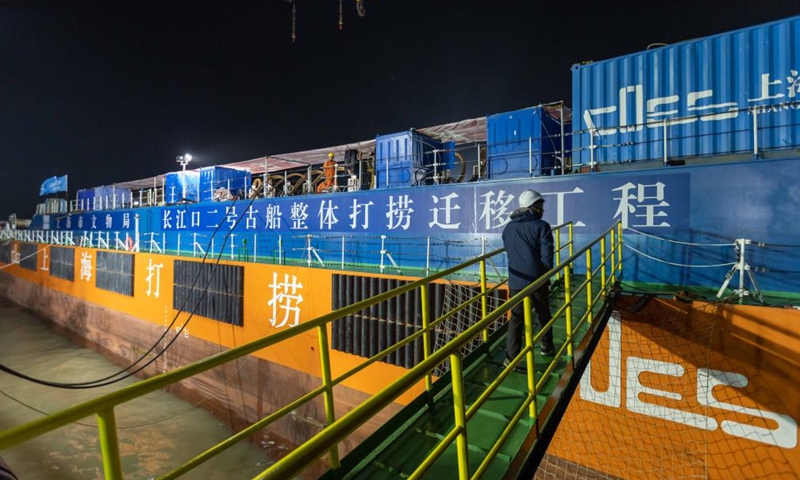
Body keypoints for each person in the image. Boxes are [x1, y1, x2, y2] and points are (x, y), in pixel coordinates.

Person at [501, 189, 555, 368]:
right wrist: (547, 275)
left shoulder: (509, 227)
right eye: (541, 205)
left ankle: (511, 358)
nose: (543, 209)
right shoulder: (541, 226)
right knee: (543, 313)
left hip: (516, 281)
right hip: (537, 281)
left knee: (516, 319)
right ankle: (546, 347)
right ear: (534, 206)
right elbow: (547, 256)